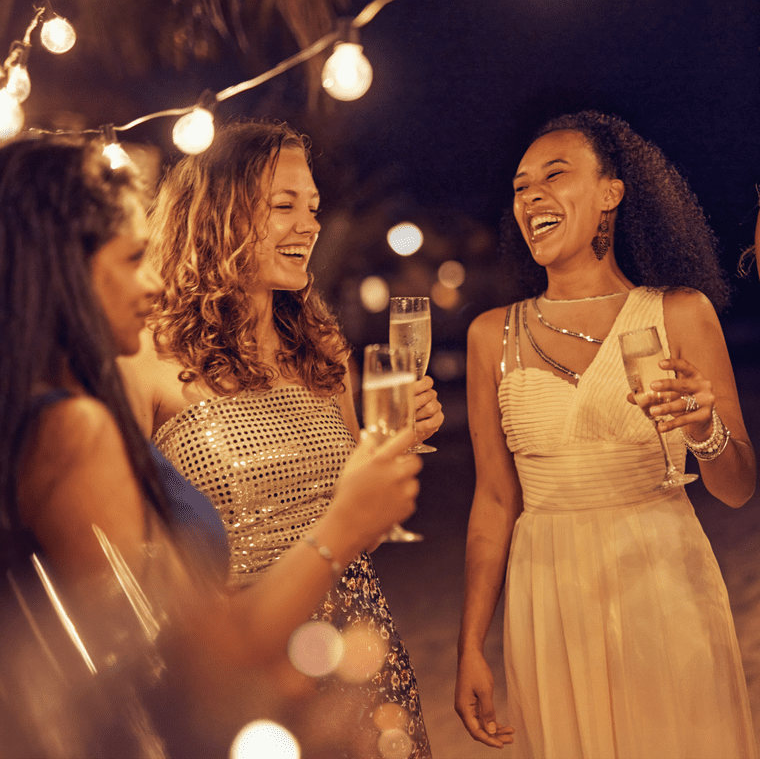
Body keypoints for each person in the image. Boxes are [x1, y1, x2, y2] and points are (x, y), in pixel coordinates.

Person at [0, 136, 422, 757]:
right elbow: (186, 656)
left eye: (314, 205)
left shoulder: (317, 341)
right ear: (63, 266)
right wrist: (343, 526)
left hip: (336, 647)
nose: (151, 278)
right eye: (132, 256)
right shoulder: (76, 427)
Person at [118, 119, 443, 759]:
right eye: (283, 206)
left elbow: (361, 527)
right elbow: (126, 561)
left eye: (313, 207)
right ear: (216, 215)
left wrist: (398, 452)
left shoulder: (323, 351)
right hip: (243, 664)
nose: (310, 225)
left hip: (360, 650)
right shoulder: (145, 356)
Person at [455, 110, 757, 759]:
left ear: (611, 194)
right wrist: (470, 645)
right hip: (547, 599)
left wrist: (704, 430)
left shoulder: (679, 312)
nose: (530, 195)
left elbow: (736, 490)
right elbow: (493, 504)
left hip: (663, 579)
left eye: (553, 176)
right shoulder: (490, 336)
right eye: (519, 186)